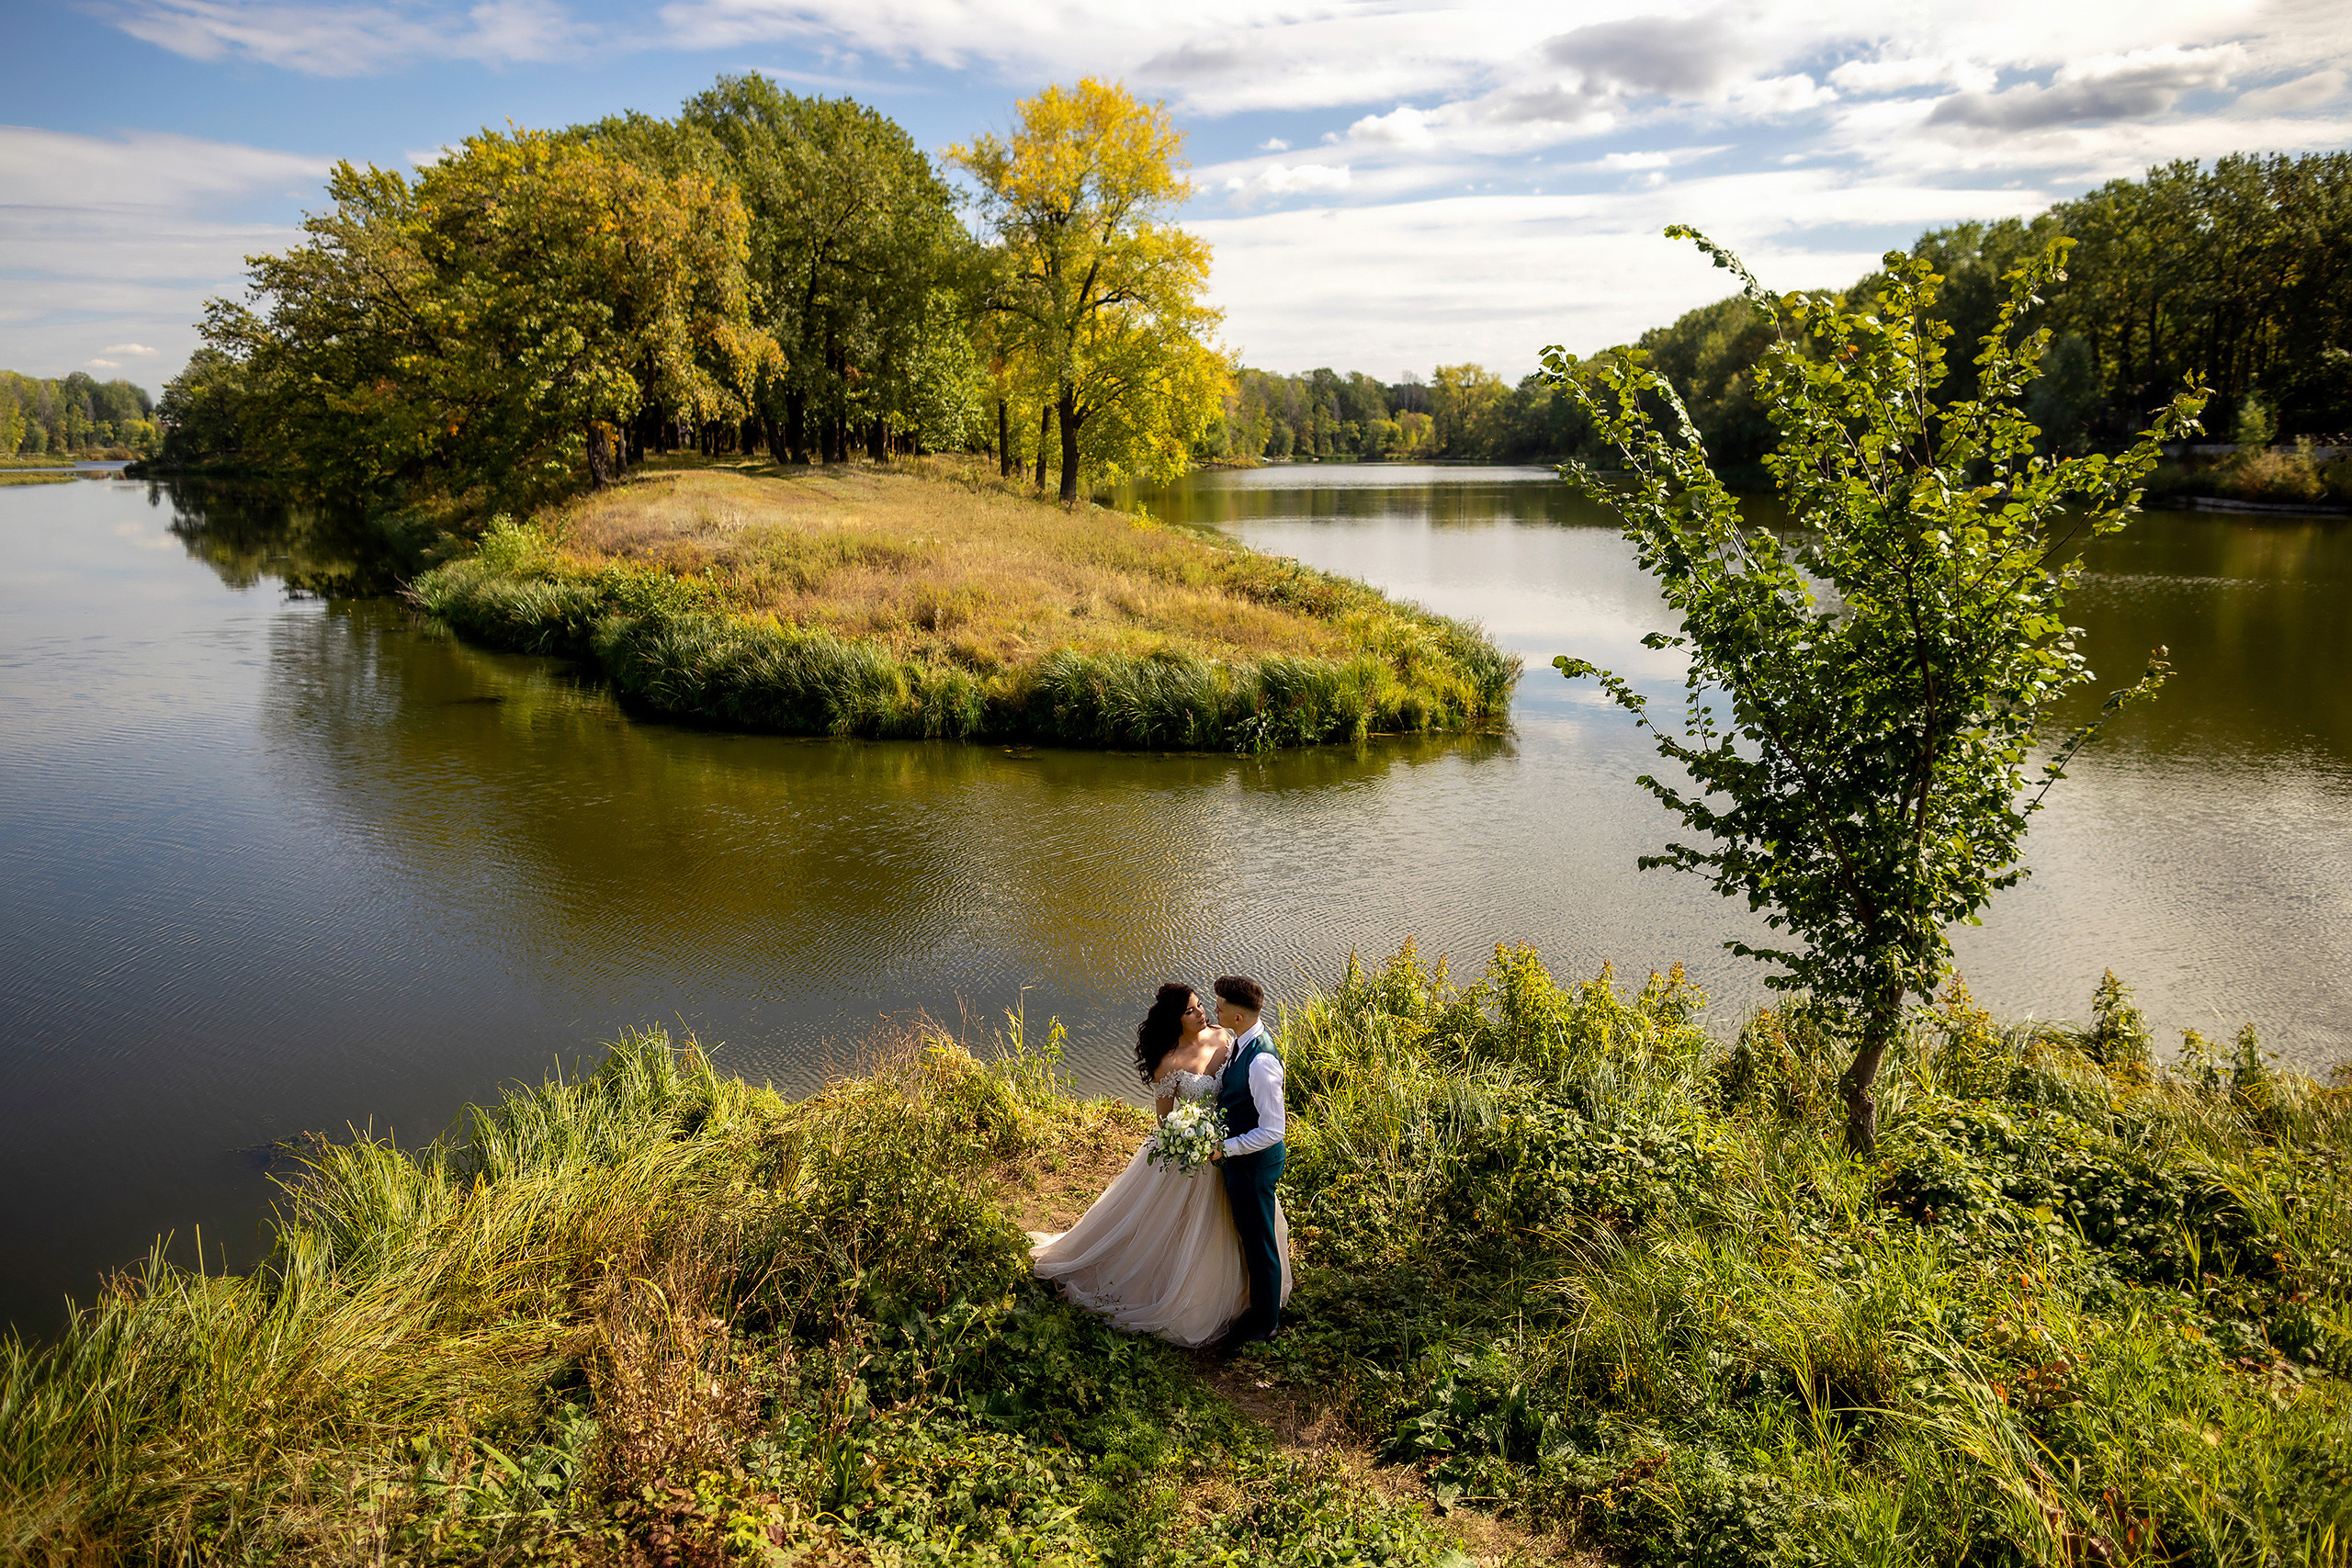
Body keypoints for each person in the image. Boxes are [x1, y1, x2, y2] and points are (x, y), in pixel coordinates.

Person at [1028, 982, 1292, 1348]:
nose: (1203, 1013)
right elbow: (1165, 1122)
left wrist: (1222, 1142)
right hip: (1196, 1154)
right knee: (1190, 1227)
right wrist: (1190, 1138)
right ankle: (1199, 1295)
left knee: (1250, 1229)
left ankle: (1257, 1308)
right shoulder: (1170, 1063)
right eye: (1192, 1010)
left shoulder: (1228, 1038)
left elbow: (1256, 1101)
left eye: (1203, 1006)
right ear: (1175, 1021)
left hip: (1232, 1151)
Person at [1207, 974, 1286, 1350]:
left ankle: (1267, 1322)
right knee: (1250, 1236)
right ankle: (1257, 1306)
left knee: (1259, 1241)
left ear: (1238, 1018)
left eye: (1220, 1007)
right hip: (1243, 1159)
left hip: (1254, 1165)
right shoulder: (1242, 1041)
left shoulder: (1261, 1063)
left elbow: (1273, 1130)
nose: (1214, 1010)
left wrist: (1228, 1147)